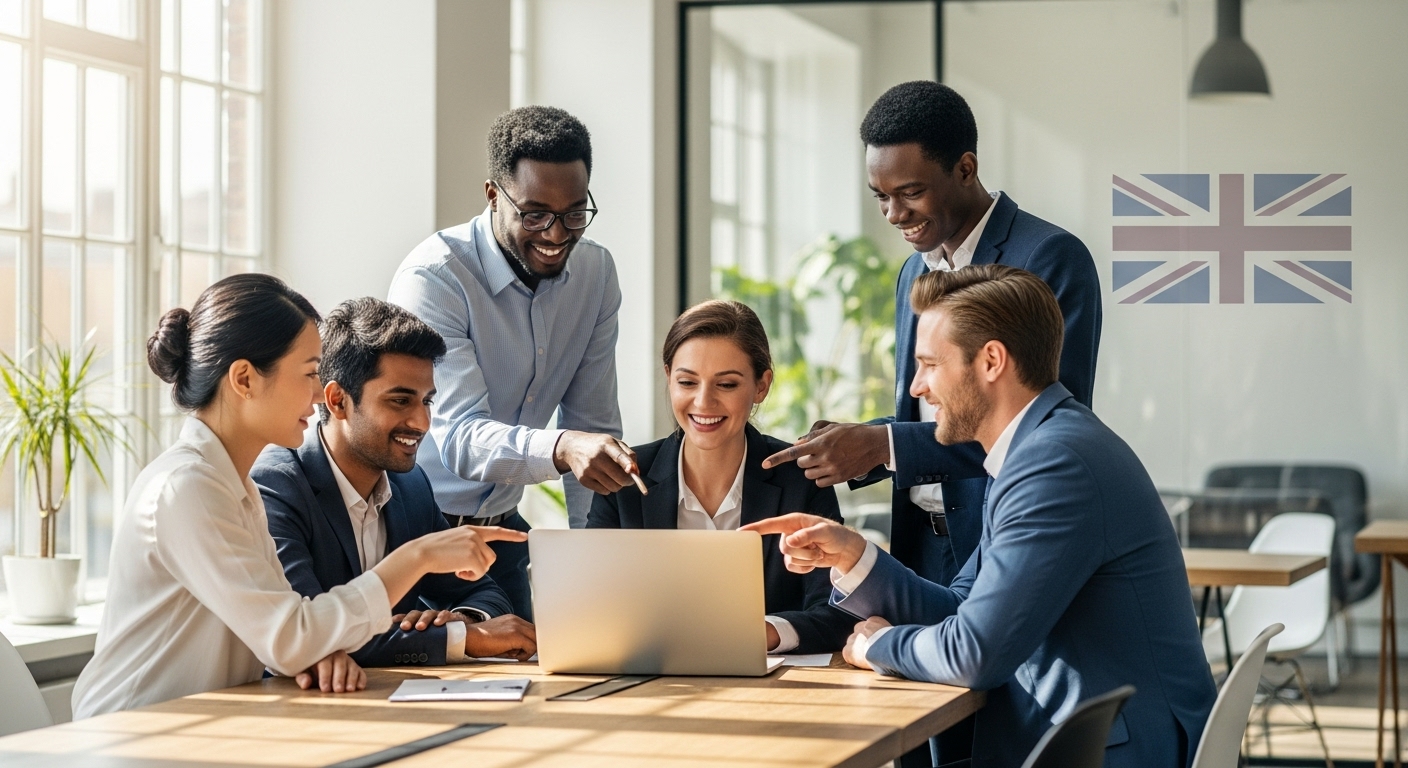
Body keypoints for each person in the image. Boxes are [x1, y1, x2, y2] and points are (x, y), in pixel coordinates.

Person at [745, 265, 1214, 768]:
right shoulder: (1038, 448)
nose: (918, 388)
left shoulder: (1054, 465)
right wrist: (855, 555)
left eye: (929, 364)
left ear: (991, 361)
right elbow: (961, 605)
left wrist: (877, 645)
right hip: (1081, 738)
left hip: (1108, 751)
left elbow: (974, 653)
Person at [73, 274, 524, 719]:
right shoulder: (189, 486)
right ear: (245, 379)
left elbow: (292, 628)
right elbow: (291, 639)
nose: (317, 394)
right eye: (309, 372)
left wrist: (313, 648)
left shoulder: (233, 482)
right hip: (130, 732)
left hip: (199, 726)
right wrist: (419, 557)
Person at [388, 106, 632, 621]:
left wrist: (595, 560)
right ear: (494, 195)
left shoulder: (596, 274)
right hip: (412, 534)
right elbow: (459, 440)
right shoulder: (435, 279)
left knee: (529, 682)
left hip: (501, 531)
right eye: (535, 213)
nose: (555, 234)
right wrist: (564, 447)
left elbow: (592, 424)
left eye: (573, 214)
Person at [253, 298, 537, 668]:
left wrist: (464, 619)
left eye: (427, 401)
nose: (421, 422)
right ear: (338, 401)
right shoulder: (276, 486)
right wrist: (465, 640)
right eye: (400, 400)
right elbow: (310, 636)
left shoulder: (412, 486)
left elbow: (482, 590)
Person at [587, 301, 854, 654]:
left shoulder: (800, 480)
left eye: (726, 384)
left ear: (761, 385)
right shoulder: (624, 477)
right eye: (686, 381)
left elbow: (837, 610)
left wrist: (763, 633)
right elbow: (590, 605)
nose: (703, 401)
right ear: (668, 378)